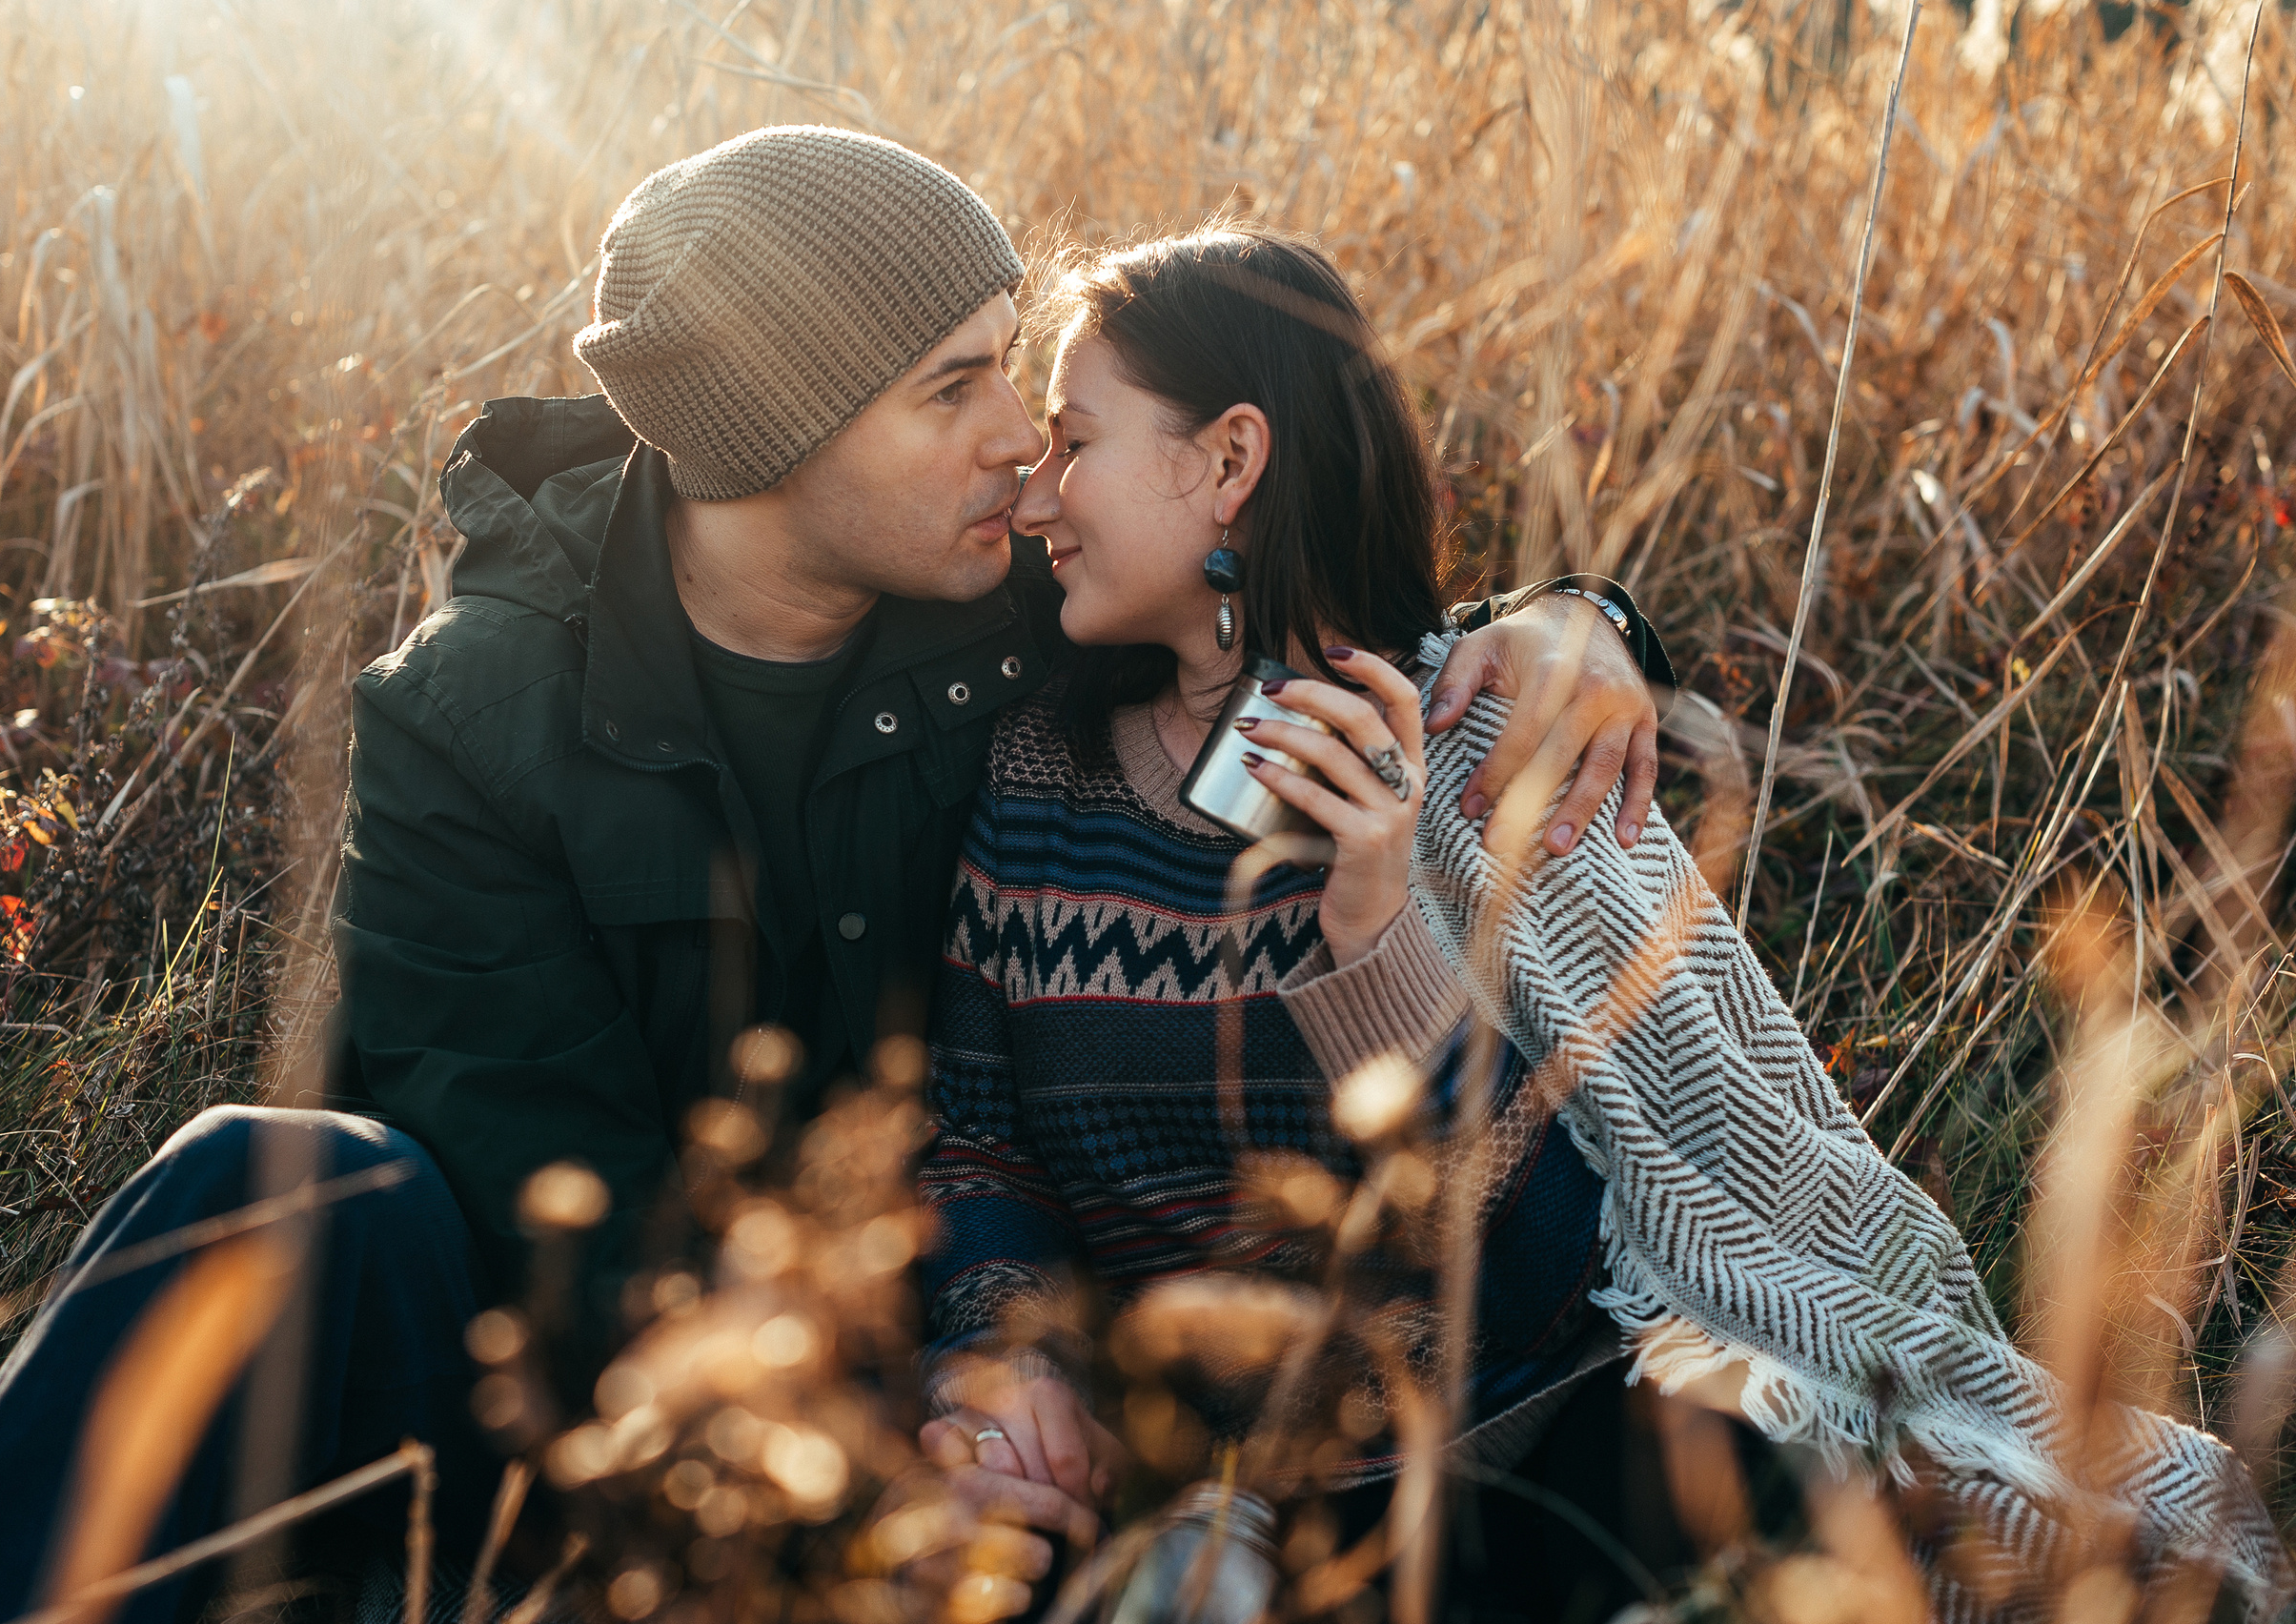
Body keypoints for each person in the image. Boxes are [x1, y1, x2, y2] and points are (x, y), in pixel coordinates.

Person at [0, 129, 1672, 1624]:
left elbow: (1282, 597)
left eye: (1017, 371)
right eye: (954, 387)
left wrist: (1578, 628)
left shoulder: (1024, 603)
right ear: (775, 435)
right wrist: (888, 1414)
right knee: (274, 1179)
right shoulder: (471, 721)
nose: (1020, 447)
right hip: (594, 1395)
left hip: (1018, 1414)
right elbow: (534, 1178)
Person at [909, 224, 2295, 1623]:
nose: (1035, 495)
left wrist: (1376, 927)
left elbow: (1530, 1284)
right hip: (1203, 1482)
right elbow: (980, 1141)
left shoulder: (1488, 748)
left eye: (1074, 442)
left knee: (1966, 1560)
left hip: (1523, 1434)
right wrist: (1005, 1355)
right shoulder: (1039, 774)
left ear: (1229, 462)